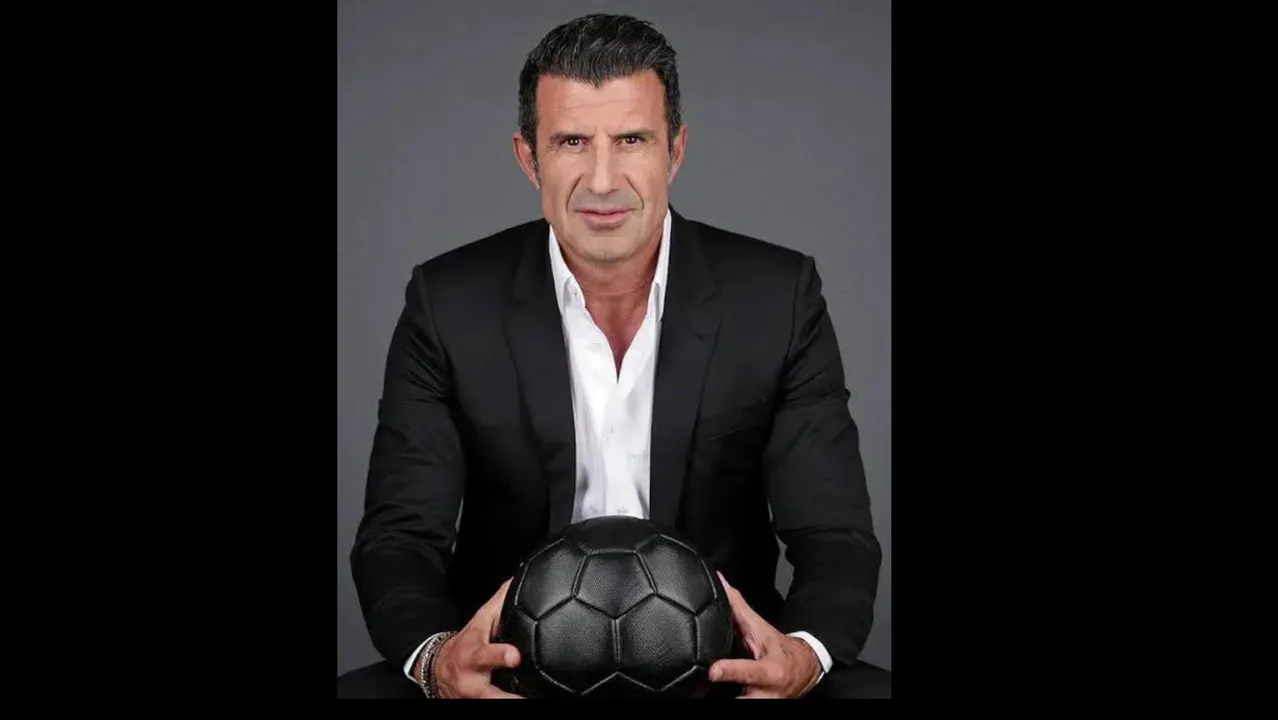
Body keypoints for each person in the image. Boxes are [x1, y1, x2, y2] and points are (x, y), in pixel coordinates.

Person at [337, 12, 888, 699]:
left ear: (674, 151)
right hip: (507, 676)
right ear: (529, 158)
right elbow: (399, 537)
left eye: (632, 139)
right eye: (572, 141)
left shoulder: (778, 298)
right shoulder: (447, 303)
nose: (602, 180)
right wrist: (437, 660)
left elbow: (835, 536)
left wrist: (802, 655)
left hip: (726, 672)